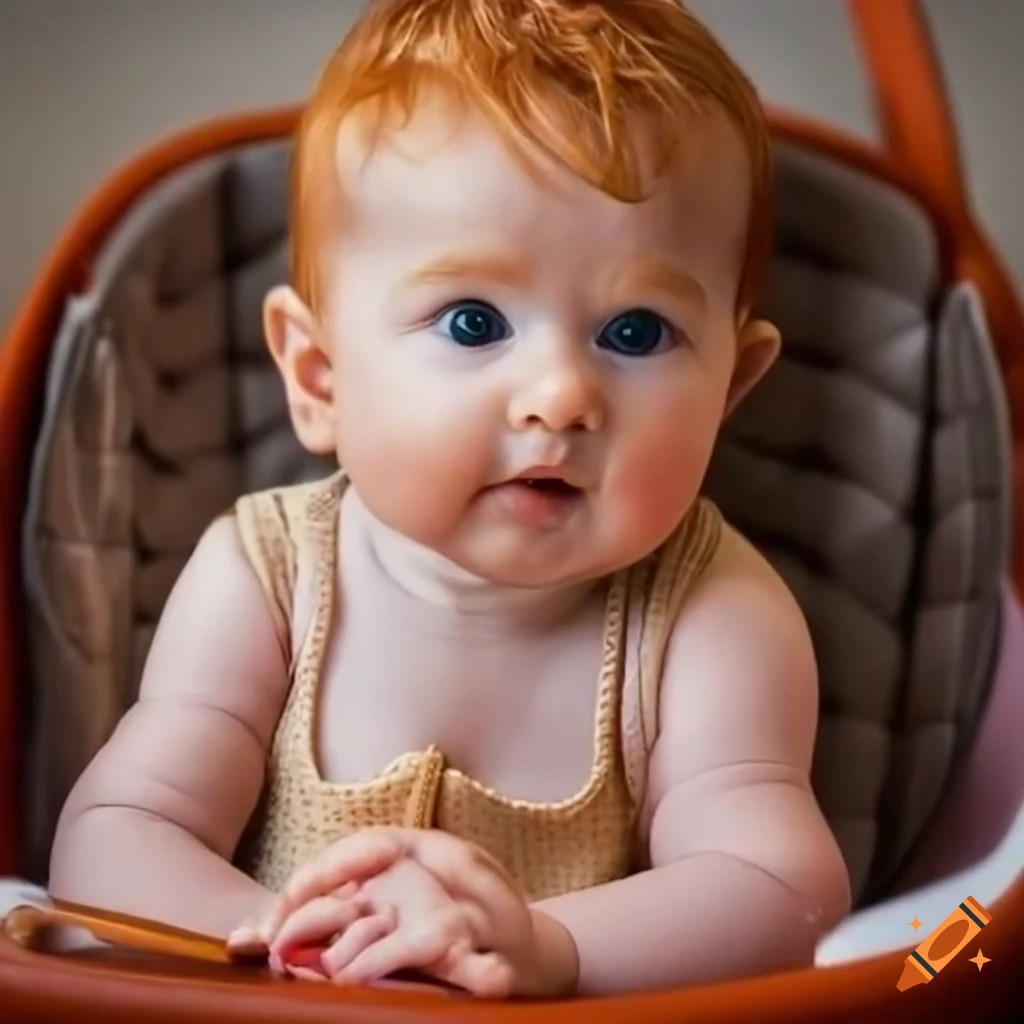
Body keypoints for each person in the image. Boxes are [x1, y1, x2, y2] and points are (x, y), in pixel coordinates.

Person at [48, 0, 851, 998]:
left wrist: (546, 947)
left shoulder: (712, 614)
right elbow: (117, 833)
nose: (559, 393)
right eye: (473, 320)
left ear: (730, 389)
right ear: (319, 376)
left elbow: (778, 890)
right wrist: (273, 940)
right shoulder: (265, 577)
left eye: (636, 332)